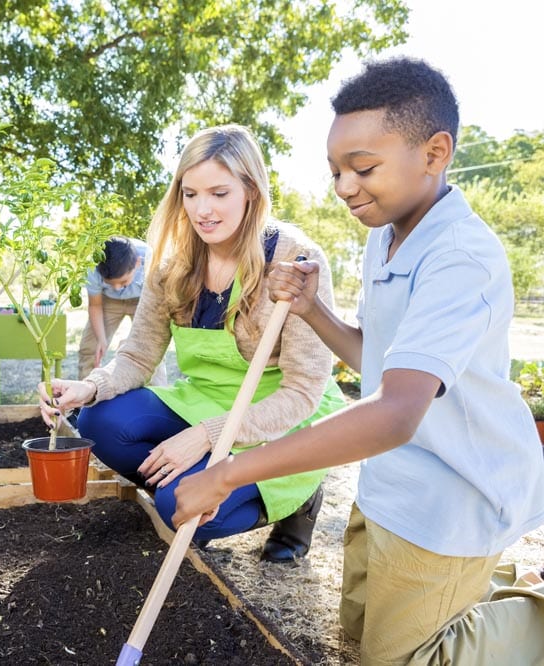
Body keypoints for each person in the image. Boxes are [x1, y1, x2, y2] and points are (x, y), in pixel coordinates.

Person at [173, 58, 544, 665]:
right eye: (336, 170)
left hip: (454, 494)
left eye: (363, 168)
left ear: (435, 152)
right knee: (353, 632)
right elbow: (378, 361)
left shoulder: (460, 259)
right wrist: (314, 310)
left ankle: (532, 619)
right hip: (390, 482)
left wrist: (227, 473)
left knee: (400, 660)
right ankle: (487, 597)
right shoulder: (386, 234)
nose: (345, 187)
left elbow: (396, 411)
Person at [39, 125, 345, 562]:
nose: (203, 210)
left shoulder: (294, 261)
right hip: (207, 398)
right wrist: (89, 387)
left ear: (251, 191)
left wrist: (207, 436)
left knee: (174, 507)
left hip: (280, 414)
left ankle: (296, 499)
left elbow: (302, 391)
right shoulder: (174, 263)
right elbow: (139, 354)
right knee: (98, 422)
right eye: (190, 194)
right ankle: (190, 484)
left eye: (219, 193)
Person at [78, 236, 167, 386]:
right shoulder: (93, 265)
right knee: (90, 347)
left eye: (123, 282)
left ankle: (157, 394)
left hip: (143, 298)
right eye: (111, 283)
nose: (118, 288)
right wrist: (101, 339)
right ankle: (83, 398)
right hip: (108, 301)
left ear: (138, 263)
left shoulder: (152, 259)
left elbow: (158, 300)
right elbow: (95, 306)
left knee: (152, 347)